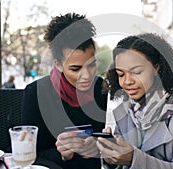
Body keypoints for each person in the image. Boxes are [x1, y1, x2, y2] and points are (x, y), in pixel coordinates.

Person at [97, 33, 173, 169]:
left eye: (137, 72)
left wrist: (133, 159)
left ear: (156, 68)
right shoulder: (126, 106)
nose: (127, 81)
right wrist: (111, 157)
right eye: (121, 74)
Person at [21, 13, 108, 169]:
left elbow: (112, 142)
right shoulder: (36, 93)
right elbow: (28, 152)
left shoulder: (102, 89)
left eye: (92, 65)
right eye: (76, 69)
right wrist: (60, 154)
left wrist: (99, 148)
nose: (87, 76)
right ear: (58, 65)